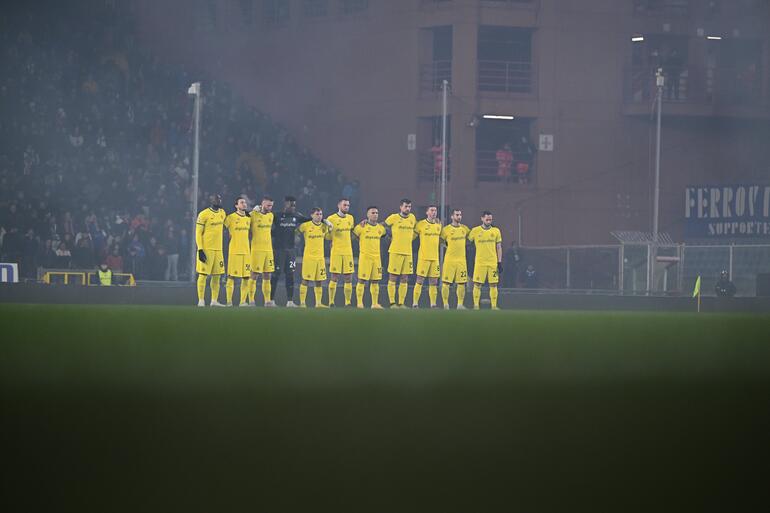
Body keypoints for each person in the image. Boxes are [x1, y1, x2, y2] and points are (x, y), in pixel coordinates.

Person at [270, 196, 310, 307]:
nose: (293, 207)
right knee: (276, 275)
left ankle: (290, 301)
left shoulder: (296, 216)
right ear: (285, 204)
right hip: (278, 251)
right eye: (291, 205)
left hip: (291, 251)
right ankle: (271, 300)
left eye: (294, 205)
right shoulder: (276, 216)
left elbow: (311, 219)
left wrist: (324, 220)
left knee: (290, 275)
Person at [384, 199, 417, 308]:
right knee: (393, 277)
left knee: (404, 278)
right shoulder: (393, 217)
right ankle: (392, 302)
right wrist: (388, 235)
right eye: (406, 206)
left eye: (409, 207)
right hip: (395, 251)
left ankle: (401, 303)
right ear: (400, 207)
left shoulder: (412, 218)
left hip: (408, 252)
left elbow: (416, 230)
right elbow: (383, 226)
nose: (408, 208)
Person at [297, 208, 333, 308]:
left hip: (320, 258)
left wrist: (330, 229)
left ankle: (318, 303)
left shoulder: (324, 226)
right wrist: (296, 239)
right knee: (305, 280)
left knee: (319, 280)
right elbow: (296, 232)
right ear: (312, 215)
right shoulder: (306, 225)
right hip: (309, 257)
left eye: (321, 214)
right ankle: (302, 303)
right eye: (317, 214)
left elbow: (328, 237)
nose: (319, 216)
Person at [195, 194, 226, 307]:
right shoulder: (203, 214)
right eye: (217, 199)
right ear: (211, 200)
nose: (219, 200)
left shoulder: (223, 213)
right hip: (207, 249)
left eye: (220, 198)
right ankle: (201, 300)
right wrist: (200, 249)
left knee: (217, 276)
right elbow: (198, 233)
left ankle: (214, 301)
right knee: (203, 275)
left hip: (218, 249)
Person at [353, 206, 387, 309]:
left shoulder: (381, 229)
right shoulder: (361, 227)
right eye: (372, 213)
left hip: (377, 258)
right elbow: (353, 237)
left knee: (375, 281)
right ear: (367, 215)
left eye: (376, 213)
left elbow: (386, 235)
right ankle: (359, 303)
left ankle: (374, 304)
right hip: (365, 257)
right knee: (362, 280)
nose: (375, 214)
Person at [468, 211, 503, 310]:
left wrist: (499, 262)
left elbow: (499, 247)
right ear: (482, 219)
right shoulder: (475, 231)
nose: (489, 221)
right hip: (480, 262)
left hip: (492, 262)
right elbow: (466, 242)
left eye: (490, 219)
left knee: (494, 284)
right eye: (487, 219)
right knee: (477, 284)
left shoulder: (496, 231)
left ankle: (494, 306)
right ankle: (475, 305)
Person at [326, 198, 355, 307]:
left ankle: (348, 302)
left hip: (348, 252)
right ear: (339, 205)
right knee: (334, 277)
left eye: (348, 205)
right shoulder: (331, 218)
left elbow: (351, 233)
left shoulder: (351, 218)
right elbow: (328, 237)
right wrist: (329, 231)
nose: (346, 207)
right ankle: (331, 301)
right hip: (336, 252)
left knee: (348, 277)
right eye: (344, 205)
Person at [224, 196, 252, 307]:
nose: (244, 204)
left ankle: (242, 302)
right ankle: (229, 302)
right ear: (236, 205)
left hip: (246, 252)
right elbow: (222, 229)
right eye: (241, 202)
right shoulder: (230, 217)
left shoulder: (249, 218)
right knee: (231, 277)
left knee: (246, 277)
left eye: (245, 202)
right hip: (234, 251)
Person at [440, 209, 470, 309]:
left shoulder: (465, 229)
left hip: (461, 261)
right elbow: (440, 240)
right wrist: (446, 245)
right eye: (457, 215)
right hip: (449, 260)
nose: (459, 216)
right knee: (446, 283)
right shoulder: (446, 229)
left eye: (460, 215)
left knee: (461, 283)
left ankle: (460, 304)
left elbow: (470, 239)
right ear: (452, 217)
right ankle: (445, 304)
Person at [412, 205, 442, 308]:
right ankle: (415, 303)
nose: (434, 212)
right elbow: (412, 236)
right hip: (423, 257)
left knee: (434, 282)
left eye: (435, 210)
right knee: (419, 280)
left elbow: (441, 239)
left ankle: (433, 304)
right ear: (427, 212)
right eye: (432, 210)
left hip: (435, 258)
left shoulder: (439, 225)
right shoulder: (421, 224)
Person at [249, 196, 276, 307]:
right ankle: (251, 300)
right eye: (268, 205)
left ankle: (267, 300)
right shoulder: (253, 214)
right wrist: (252, 210)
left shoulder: (271, 215)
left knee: (267, 275)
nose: (270, 207)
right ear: (262, 204)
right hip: (257, 249)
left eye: (271, 205)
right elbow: (244, 218)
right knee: (254, 275)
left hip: (268, 250)